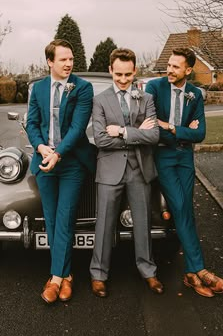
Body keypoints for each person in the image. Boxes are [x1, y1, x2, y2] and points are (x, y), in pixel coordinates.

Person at [146, 47, 223, 297]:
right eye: (169, 65)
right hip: (164, 157)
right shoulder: (154, 88)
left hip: (185, 158)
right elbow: (152, 129)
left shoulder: (194, 94)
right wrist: (182, 131)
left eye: (175, 66)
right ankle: (199, 270)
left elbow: (200, 133)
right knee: (180, 206)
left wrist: (171, 127)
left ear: (188, 70)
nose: (169, 70)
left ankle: (192, 273)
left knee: (186, 209)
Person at [89, 48, 163, 298]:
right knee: (104, 225)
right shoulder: (99, 100)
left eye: (128, 75)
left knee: (142, 223)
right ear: (110, 70)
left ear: (135, 71)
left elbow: (153, 136)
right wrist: (135, 133)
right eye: (118, 74)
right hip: (109, 170)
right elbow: (100, 140)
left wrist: (122, 132)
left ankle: (148, 271)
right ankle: (99, 274)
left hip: (139, 170)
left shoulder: (147, 98)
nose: (122, 79)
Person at [27, 39, 95, 303]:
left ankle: (55, 279)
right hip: (45, 161)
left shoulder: (83, 88)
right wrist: (41, 147)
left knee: (65, 218)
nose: (68, 64)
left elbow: (78, 129)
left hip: (72, 162)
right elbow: (32, 122)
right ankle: (66, 275)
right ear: (50, 62)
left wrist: (58, 153)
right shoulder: (39, 88)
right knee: (52, 219)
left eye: (71, 59)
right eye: (63, 59)